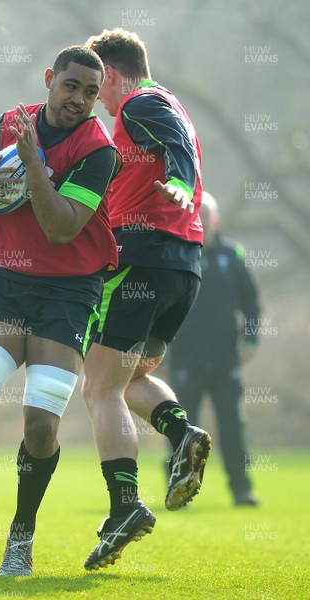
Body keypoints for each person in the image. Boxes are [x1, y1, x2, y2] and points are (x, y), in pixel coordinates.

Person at [0, 45, 123, 577]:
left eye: (92, 92)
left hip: (69, 293)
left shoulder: (99, 150)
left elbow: (61, 227)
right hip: (4, 283)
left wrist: (34, 162)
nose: (81, 100)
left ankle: (21, 533)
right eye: (71, 86)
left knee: (41, 427)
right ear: (50, 80)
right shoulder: (8, 124)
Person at [81, 28, 212, 571]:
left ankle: (125, 507)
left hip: (141, 261)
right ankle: (182, 433)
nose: (95, 98)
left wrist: (182, 182)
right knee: (130, 379)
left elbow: (175, 147)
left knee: (98, 387)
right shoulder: (167, 101)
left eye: (96, 87)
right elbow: (175, 141)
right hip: (182, 268)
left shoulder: (139, 102)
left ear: (111, 74)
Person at [168, 191, 261, 506]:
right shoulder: (179, 253)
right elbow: (163, 306)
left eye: (208, 214)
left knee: (232, 427)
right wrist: (162, 353)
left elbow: (252, 305)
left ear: (216, 219)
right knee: (182, 429)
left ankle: (242, 489)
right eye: (198, 213)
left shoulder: (232, 256)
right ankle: (180, 488)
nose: (203, 219)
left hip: (225, 361)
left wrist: (250, 341)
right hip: (185, 359)